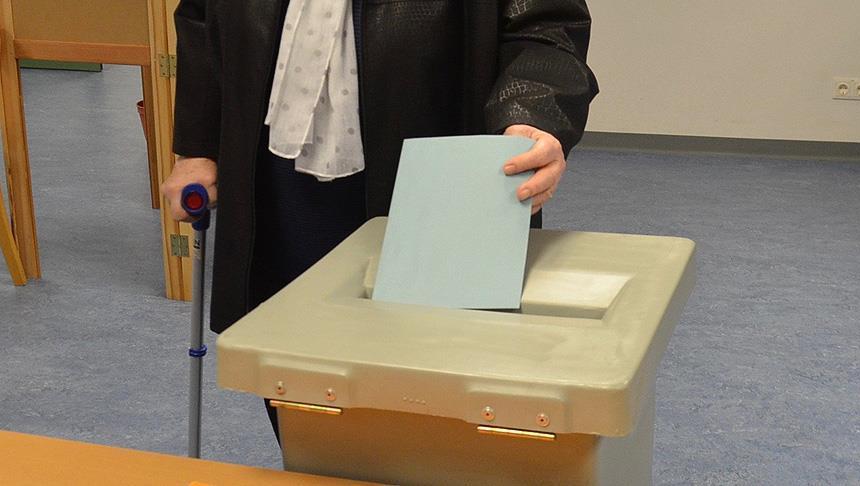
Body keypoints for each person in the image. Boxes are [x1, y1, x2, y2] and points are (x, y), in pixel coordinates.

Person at [161, 0, 598, 441]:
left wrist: (531, 112)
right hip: (277, 178)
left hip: (437, 166)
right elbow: (202, 16)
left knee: (432, 391)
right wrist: (199, 145)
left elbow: (545, 26)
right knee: (294, 377)